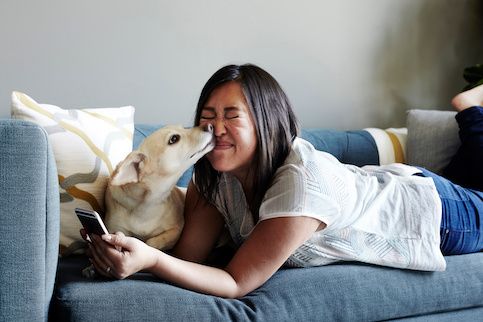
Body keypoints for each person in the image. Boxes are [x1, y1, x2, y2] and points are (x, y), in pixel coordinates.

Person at [84, 64, 483, 299]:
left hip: (433, 211)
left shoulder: (302, 182)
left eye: (232, 115)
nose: (215, 128)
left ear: (266, 119)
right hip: (375, 184)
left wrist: (151, 258)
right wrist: (128, 255)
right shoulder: (214, 175)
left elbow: (236, 281)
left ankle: (471, 110)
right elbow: (189, 258)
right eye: (208, 115)